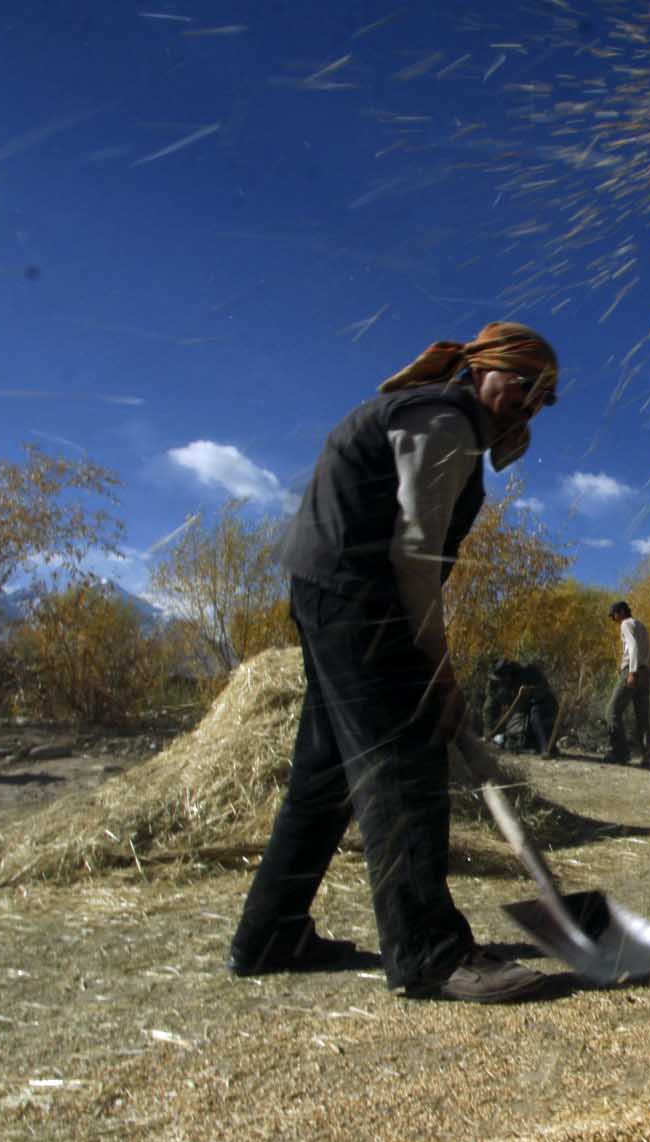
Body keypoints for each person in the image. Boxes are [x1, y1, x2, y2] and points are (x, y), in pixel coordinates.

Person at [226, 322, 560, 1004]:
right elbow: (416, 556)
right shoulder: (444, 422)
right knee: (406, 764)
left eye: (543, 399)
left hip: (330, 593)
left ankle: (272, 934)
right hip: (361, 597)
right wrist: (439, 669)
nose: (528, 405)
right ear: (483, 369)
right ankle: (430, 952)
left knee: (324, 775)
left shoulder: (442, 417)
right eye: (523, 385)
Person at [605, 600, 650, 767]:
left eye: (614, 615)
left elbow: (632, 647)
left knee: (612, 711)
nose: (614, 620)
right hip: (646, 672)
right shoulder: (641, 625)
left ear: (621, 612)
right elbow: (647, 651)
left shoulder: (626, 624)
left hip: (633, 671)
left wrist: (632, 672)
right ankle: (647, 756)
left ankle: (620, 753)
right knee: (642, 716)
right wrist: (646, 672)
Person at [483, 658, 558, 757]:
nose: (502, 683)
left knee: (536, 714)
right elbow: (489, 708)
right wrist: (488, 733)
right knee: (513, 735)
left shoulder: (528, 672)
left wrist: (531, 691)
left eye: (504, 679)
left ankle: (545, 748)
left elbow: (545, 691)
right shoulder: (494, 684)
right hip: (519, 711)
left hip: (540, 707)